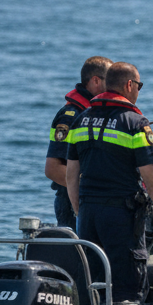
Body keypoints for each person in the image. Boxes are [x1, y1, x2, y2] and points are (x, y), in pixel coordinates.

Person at [65, 62, 153, 305]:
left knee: (93, 285)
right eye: (139, 86)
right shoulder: (135, 124)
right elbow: (152, 178)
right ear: (129, 85)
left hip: (88, 216)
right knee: (127, 289)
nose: (139, 91)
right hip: (121, 219)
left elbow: (70, 175)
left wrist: (80, 212)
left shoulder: (81, 120)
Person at [44, 56, 111, 229]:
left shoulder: (98, 112)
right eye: (110, 80)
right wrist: (94, 189)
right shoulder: (70, 116)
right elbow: (53, 169)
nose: (115, 86)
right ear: (96, 81)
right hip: (73, 202)